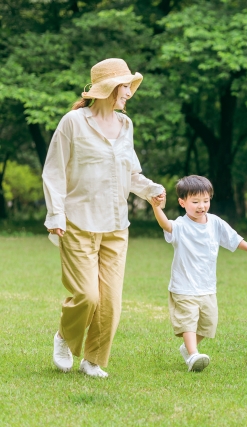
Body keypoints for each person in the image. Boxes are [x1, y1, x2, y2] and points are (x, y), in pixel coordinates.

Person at [43, 58, 166, 377]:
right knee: (86, 295)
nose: (129, 92)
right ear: (108, 88)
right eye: (125, 86)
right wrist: (55, 214)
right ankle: (64, 338)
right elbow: (54, 171)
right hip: (77, 223)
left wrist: (150, 189)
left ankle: (92, 359)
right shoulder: (72, 122)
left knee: (109, 302)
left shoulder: (126, 126)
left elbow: (130, 171)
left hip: (115, 225)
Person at [150, 175, 247, 372]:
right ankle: (193, 354)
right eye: (195, 202)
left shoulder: (215, 223)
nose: (201, 206)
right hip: (184, 287)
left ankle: (188, 348)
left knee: (208, 323)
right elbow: (166, 225)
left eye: (206, 200)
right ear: (182, 202)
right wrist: (156, 208)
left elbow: (233, 238)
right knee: (188, 322)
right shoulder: (180, 225)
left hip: (207, 286)